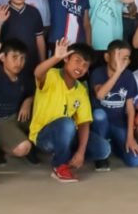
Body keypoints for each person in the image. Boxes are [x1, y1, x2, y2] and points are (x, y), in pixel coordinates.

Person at [28, 40, 111, 183]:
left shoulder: (81, 89)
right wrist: (56, 58)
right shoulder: (51, 75)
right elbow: (38, 72)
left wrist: (81, 152)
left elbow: (84, 122)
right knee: (67, 123)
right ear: (66, 59)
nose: (81, 67)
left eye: (85, 65)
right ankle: (59, 166)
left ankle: (69, 156)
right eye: (77, 61)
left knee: (104, 150)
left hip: (69, 134)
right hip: (44, 137)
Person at [88, 39, 138, 168]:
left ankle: (113, 147)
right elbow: (100, 94)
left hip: (119, 125)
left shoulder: (128, 76)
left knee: (135, 161)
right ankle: (101, 155)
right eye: (118, 57)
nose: (122, 62)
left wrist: (130, 137)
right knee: (99, 115)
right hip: (101, 126)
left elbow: (130, 109)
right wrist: (118, 72)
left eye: (125, 58)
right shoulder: (98, 73)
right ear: (107, 57)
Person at [0, 39, 35, 160]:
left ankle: (15, 140)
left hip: (16, 116)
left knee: (44, 123)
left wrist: (28, 101)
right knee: (23, 148)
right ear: (3, 58)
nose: (19, 62)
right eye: (14, 57)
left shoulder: (23, 76)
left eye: (22, 58)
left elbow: (33, 92)